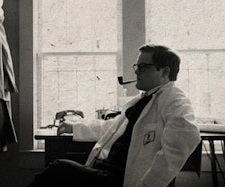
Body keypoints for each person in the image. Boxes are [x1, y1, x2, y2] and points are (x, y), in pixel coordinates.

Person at [28, 44, 201, 187]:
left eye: (143, 67)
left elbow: (185, 139)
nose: (136, 72)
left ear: (164, 72)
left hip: (121, 180)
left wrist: (149, 185)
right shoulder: (142, 100)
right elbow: (112, 127)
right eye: (137, 67)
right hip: (106, 173)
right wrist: (75, 127)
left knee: (58, 169)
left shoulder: (175, 100)